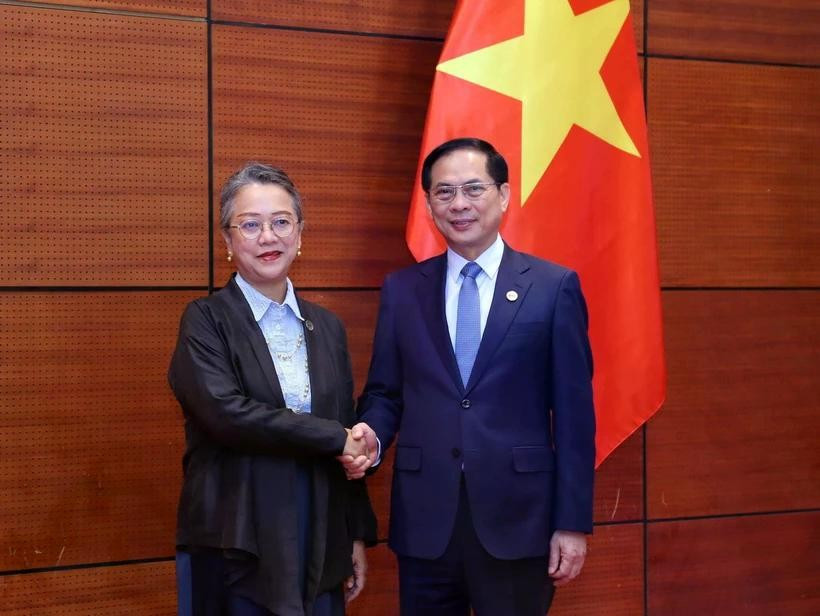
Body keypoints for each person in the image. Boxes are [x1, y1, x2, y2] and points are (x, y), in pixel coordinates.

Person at [341, 138, 595, 615]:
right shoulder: (402, 290)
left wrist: (572, 521)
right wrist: (371, 437)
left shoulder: (553, 287)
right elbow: (385, 392)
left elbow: (575, 417)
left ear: (503, 195)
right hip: (426, 520)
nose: (459, 204)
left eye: (473, 189)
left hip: (520, 519)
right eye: (444, 192)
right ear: (429, 204)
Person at [169, 162, 377, 616]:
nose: (269, 237)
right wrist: (335, 438)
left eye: (281, 222)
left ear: (300, 235)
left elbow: (347, 431)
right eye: (251, 224)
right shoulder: (205, 321)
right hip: (236, 534)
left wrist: (353, 534)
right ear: (227, 241)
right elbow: (228, 415)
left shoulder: (327, 327)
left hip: (318, 528)